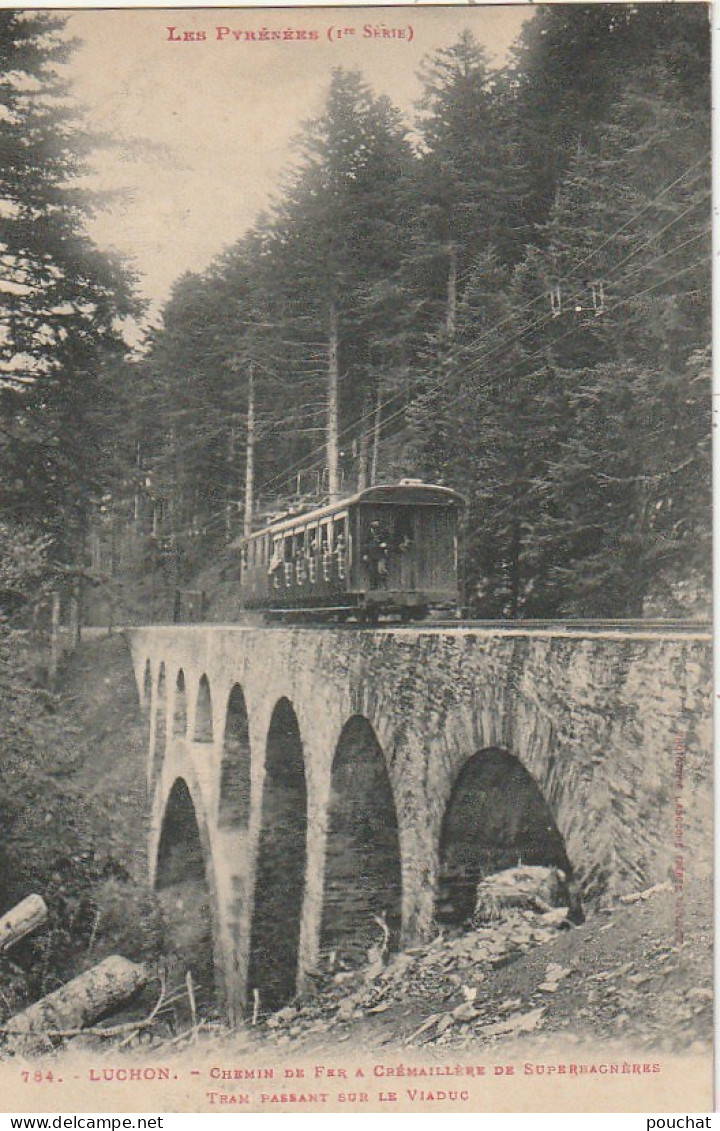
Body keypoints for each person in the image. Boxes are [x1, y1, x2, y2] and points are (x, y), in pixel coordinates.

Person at [364, 521, 388, 589]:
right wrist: (365, 554)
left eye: (377, 523)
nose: (376, 524)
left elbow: (386, 540)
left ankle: (384, 585)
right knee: (372, 570)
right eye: (374, 523)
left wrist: (385, 545)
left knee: (381, 569)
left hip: (380, 553)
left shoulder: (381, 531)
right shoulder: (367, 533)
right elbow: (365, 544)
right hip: (371, 554)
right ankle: (373, 586)